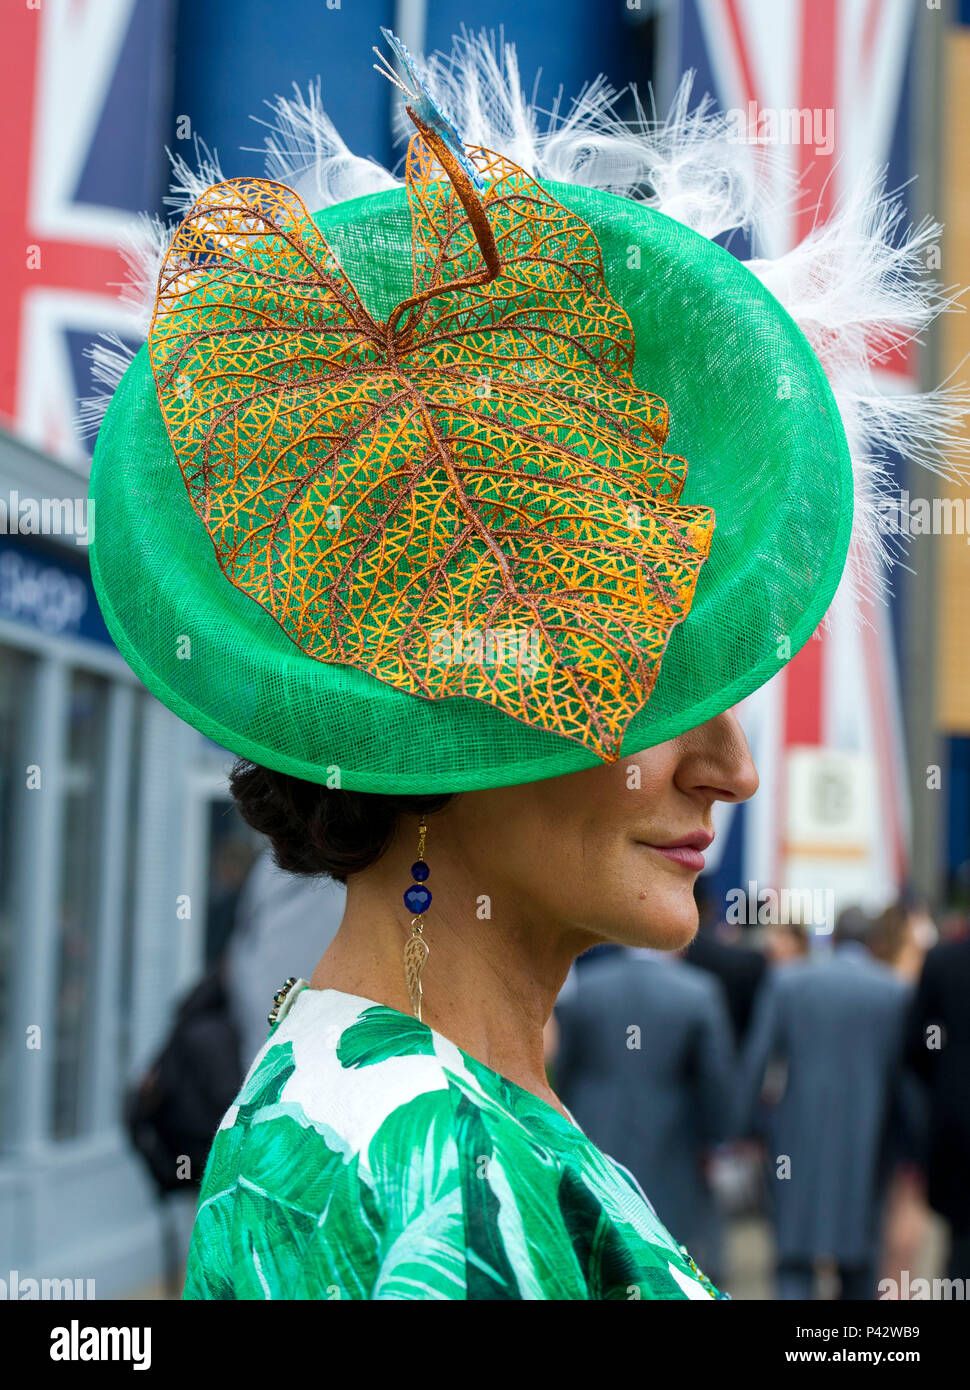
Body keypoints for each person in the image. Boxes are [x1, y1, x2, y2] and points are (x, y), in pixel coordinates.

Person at [87, 29, 949, 1300]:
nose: (733, 772)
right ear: (457, 710)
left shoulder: (376, 1097)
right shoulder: (436, 1164)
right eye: (654, 696)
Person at [736, 907, 912, 1299]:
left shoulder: (788, 983)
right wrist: (911, 1147)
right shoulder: (895, 991)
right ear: (876, 943)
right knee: (860, 1260)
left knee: (793, 1257)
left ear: (830, 940)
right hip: (868, 1141)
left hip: (797, 1138)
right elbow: (906, 1081)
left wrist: (742, 1126)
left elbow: (757, 1059)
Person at [554, 947, 735, 1281]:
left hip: (593, 1135)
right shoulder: (698, 990)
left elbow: (563, 1069)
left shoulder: (587, 986)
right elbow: (715, 1078)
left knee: (597, 1255)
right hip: (671, 1145)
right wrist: (717, 1140)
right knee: (663, 1256)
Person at [905, 936, 970, 1281]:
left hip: (956, 1121)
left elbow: (918, 1042)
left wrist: (944, 1083)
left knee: (961, 1249)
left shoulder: (943, 961)